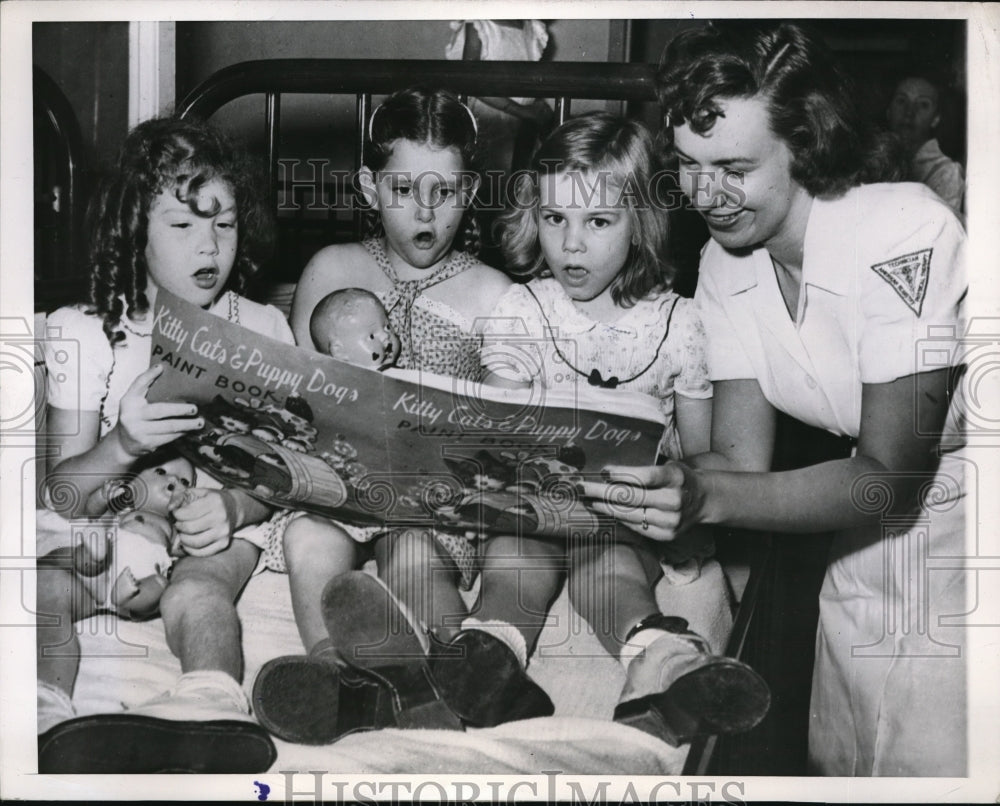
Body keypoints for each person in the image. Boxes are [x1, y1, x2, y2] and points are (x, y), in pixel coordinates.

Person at [580, 22, 966, 776]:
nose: (704, 194)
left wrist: (703, 498)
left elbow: (890, 474)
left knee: (940, 760)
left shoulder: (904, 231)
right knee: (850, 755)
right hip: (856, 526)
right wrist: (633, 472)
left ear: (807, 144)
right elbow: (739, 460)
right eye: (688, 166)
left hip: (966, 529)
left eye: (733, 167)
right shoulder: (727, 265)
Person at [255, 87, 555, 744]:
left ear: (470, 188)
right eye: (403, 189)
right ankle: (335, 677)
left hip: (434, 496)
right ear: (368, 186)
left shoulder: (494, 293)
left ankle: (453, 675)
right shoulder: (331, 269)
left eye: (444, 191)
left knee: (413, 552)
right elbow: (303, 402)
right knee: (309, 538)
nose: (426, 209)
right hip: (342, 481)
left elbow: (510, 425)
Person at [483, 111, 769, 745]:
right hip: (529, 512)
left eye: (598, 222)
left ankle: (662, 661)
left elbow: (704, 457)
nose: (571, 245)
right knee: (513, 559)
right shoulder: (520, 311)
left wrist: (674, 488)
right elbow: (496, 436)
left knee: (609, 565)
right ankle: (485, 652)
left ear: (639, 223)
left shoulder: (678, 325)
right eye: (554, 219)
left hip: (621, 519)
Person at [37, 115, 294, 772]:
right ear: (133, 232)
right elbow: (66, 496)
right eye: (183, 226)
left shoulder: (264, 326)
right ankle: (42, 713)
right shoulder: (88, 330)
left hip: (214, 526)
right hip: (109, 520)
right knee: (49, 588)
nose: (209, 246)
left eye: (225, 223)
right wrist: (123, 443)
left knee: (197, 595)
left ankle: (210, 707)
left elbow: (286, 469)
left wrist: (238, 509)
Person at [36, 453, 195, 733]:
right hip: (98, 574)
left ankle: (126, 596)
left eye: (185, 481)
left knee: (160, 586)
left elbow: (189, 548)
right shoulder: (120, 511)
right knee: (80, 558)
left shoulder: (174, 529)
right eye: (161, 471)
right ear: (132, 483)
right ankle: (47, 706)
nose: (173, 481)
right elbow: (92, 510)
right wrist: (102, 498)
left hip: (138, 576)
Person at [886, 74, 965, 216]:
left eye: (923, 105)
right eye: (901, 101)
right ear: (888, 111)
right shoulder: (874, 163)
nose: (909, 112)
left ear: (936, 119)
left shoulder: (945, 173)